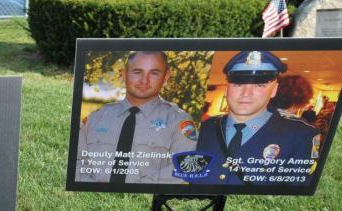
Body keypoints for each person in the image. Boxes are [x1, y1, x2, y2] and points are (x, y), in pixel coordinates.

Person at [195, 50, 320, 186]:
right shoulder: (203, 129)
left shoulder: (301, 136)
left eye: (259, 85)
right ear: (227, 88)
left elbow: (300, 195)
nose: (246, 94)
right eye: (238, 84)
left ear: (274, 90)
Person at [75, 51, 196, 184]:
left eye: (154, 73)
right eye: (137, 72)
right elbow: (76, 161)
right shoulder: (96, 117)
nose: (144, 80)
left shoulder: (179, 121)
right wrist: (90, 187)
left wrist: (139, 189)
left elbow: (185, 165)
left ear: (166, 76)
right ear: (124, 74)